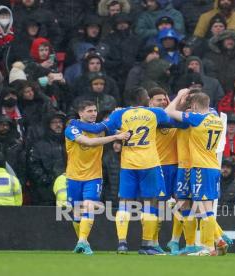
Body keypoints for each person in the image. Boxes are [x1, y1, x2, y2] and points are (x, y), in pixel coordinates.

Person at [70, 88, 170, 255]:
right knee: (150, 204)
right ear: (145, 99)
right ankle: (146, 245)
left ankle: (122, 244)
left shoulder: (120, 114)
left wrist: (75, 123)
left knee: (124, 203)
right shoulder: (156, 112)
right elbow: (169, 121)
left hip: (128, 165)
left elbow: (97, 129)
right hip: (149, 163)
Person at [65, 100, 130, 255]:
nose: (93, 113)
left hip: (94, 176)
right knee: (76, 213)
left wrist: (119, 114)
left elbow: (123, 130)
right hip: (73, 176)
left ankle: (82, 241)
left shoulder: (101, 127)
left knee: (88, 205)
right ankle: (83, 241)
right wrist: (115, 137)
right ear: (81, 113)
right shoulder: (71, 128)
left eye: (94, 110)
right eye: (89, 111)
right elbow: (87, 142)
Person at [165, 89, 225, 256]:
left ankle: (208, 247)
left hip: (200, 167)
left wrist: (178, 96)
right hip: (213, 166)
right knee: (207, 207)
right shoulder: (216, 119)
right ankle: (214, 244)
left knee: (204, 208)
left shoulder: (197, 119)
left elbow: (168, 112)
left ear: (196, 105)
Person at [147, 87, 179, 254]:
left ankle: (174, 241)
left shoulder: (173, 114)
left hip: (178, 165)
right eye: (158, 99)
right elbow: (164, 116)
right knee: (157, 206)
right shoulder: (151, 116)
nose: (163, 102)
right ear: (150, 102)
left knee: (183, 202)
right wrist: (178, 96)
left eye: (164, 99)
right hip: (158, 166)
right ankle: (153, 242)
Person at [27, 111, 66, 205]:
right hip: (46, 193)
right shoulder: (39, 145)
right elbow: (33, 166)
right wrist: (46, 180)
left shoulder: (71, 143)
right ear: (48, 125)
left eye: (60, 122)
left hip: (68, 189)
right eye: (54, 122)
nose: (58, 125)